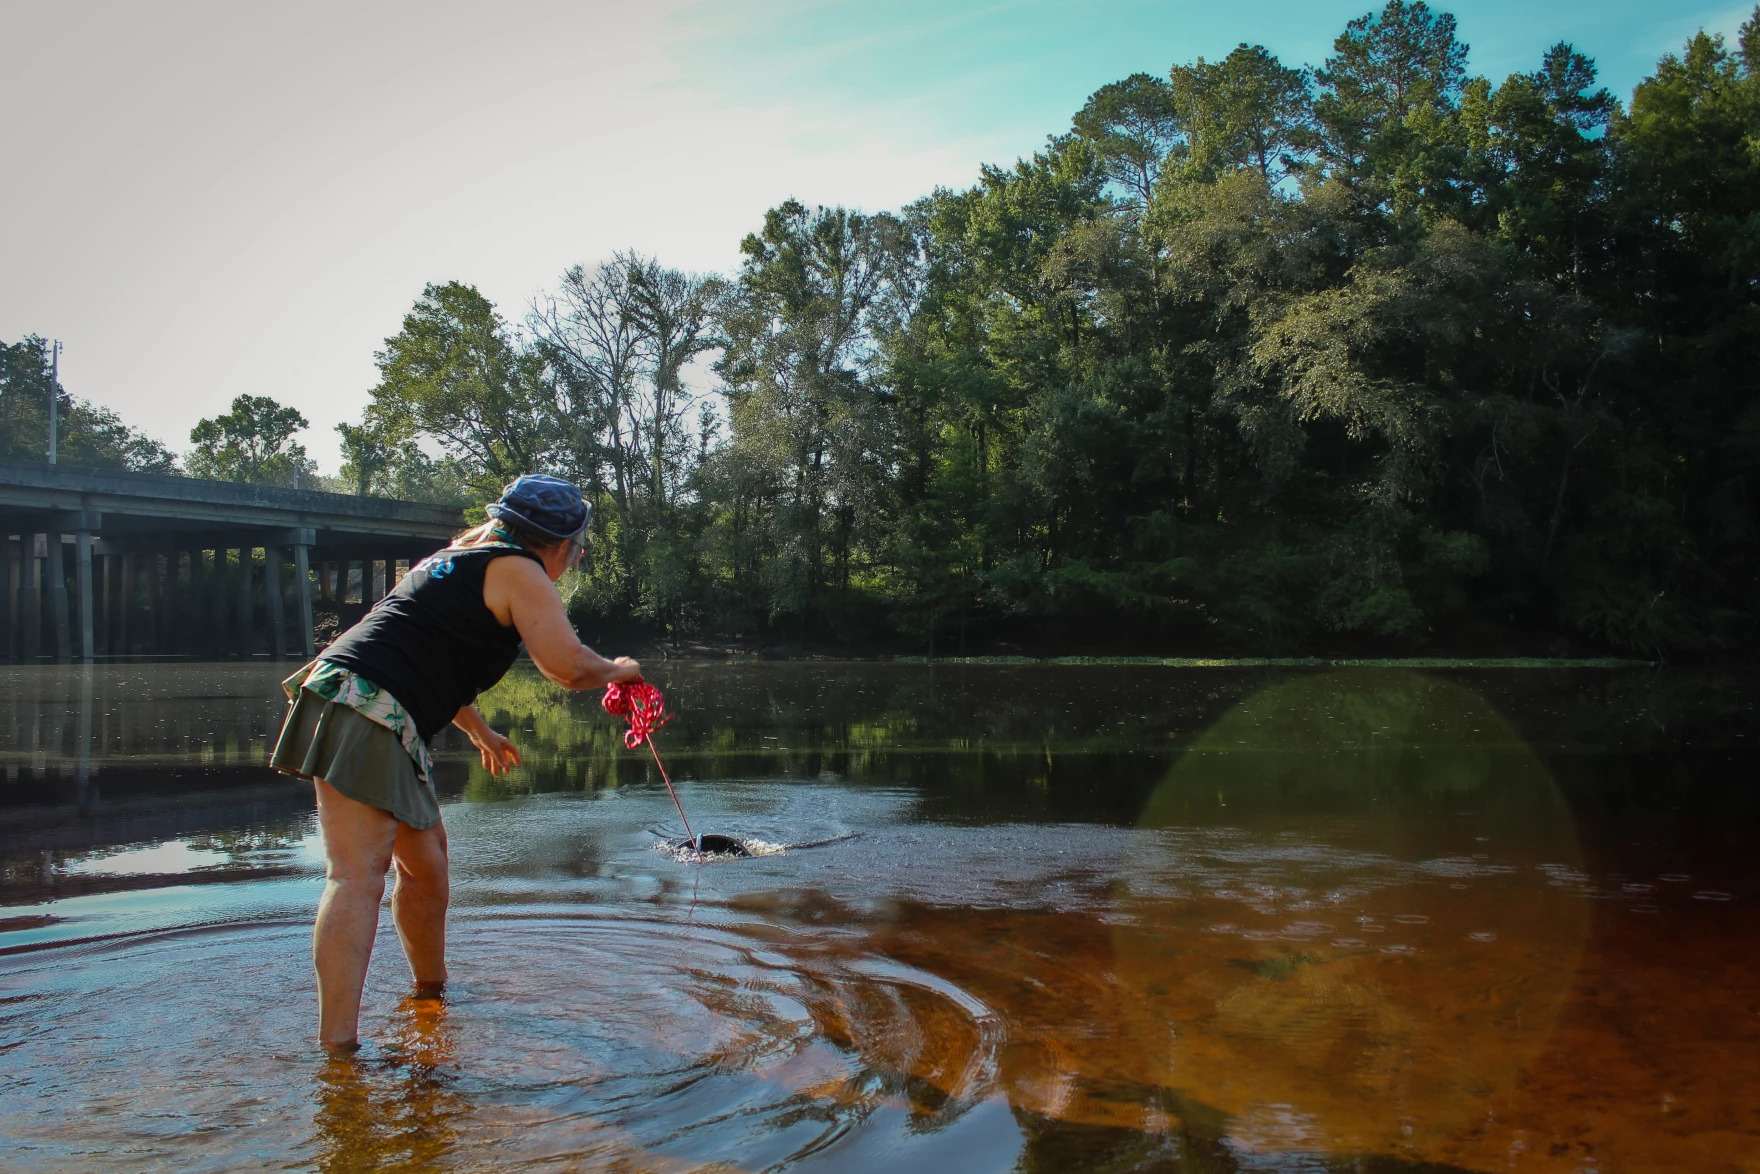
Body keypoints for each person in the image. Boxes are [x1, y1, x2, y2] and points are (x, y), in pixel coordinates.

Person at [270, 474, 641, 1050]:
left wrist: (482, 732)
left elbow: (427, 653)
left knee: (427, 865)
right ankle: (337, 1050)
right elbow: (566, 666)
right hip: (365, 709)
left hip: (368, 707)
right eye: (579, 549)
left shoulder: (463, 558)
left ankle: (430, 996)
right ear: (564, 544)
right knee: (355, 876)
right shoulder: (520, 568)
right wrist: (621, 670)